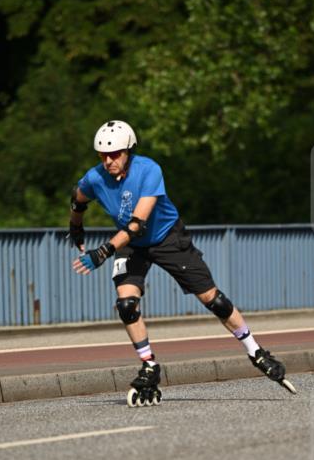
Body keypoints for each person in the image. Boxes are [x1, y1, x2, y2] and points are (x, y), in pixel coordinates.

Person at [69, 120, 296, 405]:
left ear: (128, 151)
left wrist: (102, 252)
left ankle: (256, 351)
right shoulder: (95, 177)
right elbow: (78, 199)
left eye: (114, 154)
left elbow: (137, 224)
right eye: (103, 155)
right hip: (131, 246)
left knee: (213, 299)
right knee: (126, 305)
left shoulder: (149, 170)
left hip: (166, 238)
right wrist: (75, 226)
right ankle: (149, 366)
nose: (108, 161)